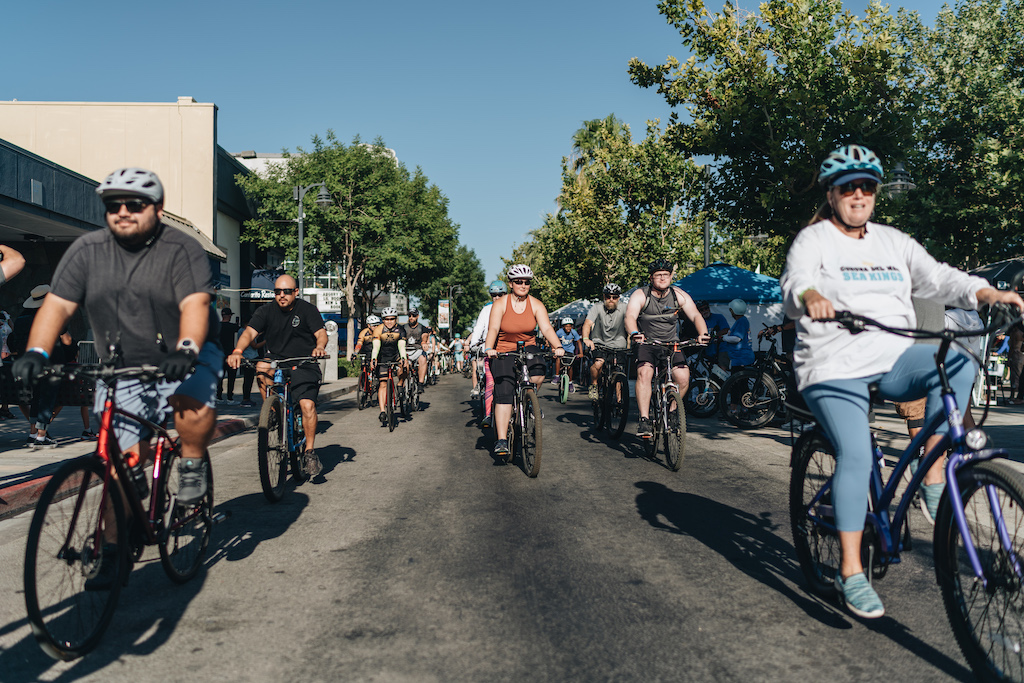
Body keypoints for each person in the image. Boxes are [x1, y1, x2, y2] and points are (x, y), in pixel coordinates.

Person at [780, 143, 1024, 619]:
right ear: (832, 194)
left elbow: (938, 278)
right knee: (854, 452)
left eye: (866, 186)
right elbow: (794, 284)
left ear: (874, 193)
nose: (858, 194)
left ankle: (933, 476)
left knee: (955, 358)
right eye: (848, 186)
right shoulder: (814, 242)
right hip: (832, 365)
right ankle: (851, 571)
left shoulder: (893, 241)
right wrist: (810, 297)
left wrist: (986, 290)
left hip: (890, 356)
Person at [13, 167, 223, 590]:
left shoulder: (180, 249)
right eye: (114, 205)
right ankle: (112, 550)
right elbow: (56, 305)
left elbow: (196, 306)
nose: (123, 212)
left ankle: (193, 463)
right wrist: (36, 353)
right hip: (123, 364)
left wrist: (185, 351)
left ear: (157, 209)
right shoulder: (87, 251)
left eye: (134, 204)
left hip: (185, 351)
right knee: (116, 464)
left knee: (191, 407)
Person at [228, 274, 327, 476]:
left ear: (296, 292)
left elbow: (320, 332)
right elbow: (249, 333)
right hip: (277, 360)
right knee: (262, 367)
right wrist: (238, 351)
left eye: (287, 291)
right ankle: (272, 409)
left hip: (304, 362)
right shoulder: (265, 311)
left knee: (307, 405)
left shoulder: (307, 310)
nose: (282, 295)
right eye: (277, 292)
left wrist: (319, 346)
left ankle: (309, 451)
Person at [484, 265, 564, 458]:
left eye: (526, 282)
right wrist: (489, 348)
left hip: (528, 346)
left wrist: (557, 346)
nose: (523, 285)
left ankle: (529, 401)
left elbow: (546, 328)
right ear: (511, 284)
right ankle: (502, 439)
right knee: (504, 390)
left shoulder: (536, 304)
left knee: (538, 372)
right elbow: (493, 329)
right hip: (503, 349)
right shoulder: (500, 304)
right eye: (518, 282)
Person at [625, 258, 710, 437]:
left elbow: (695, 315)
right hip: (647, 343)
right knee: (645, 373)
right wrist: (634, 333)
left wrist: (702, 333)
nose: (663, 278)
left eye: (666, 274)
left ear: (671, 276)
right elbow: (630, 316)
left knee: (683, 377)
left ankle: (672, 412)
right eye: (658, 275)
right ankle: (644, 419)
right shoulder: (641, 295)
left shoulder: (678, 294)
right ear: (651, 278)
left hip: (672, 344)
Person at [469, 280, 507, 427]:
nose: (497, 298)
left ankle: (527, 404)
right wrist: (473, 344)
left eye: (500, 295)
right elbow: (479, 328)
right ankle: (489, 414)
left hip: (509, 349)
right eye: (494, 295)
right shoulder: (486, 310)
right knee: (490, 382)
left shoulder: (512, 308)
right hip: (489, 350)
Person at [582, 283, 628, 401]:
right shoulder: (597, 307)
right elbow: (587, 323)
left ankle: (619, 401)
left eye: (614, 297)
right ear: (604, 297)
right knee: (598, 363)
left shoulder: (625, 308)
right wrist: (586, 339)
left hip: (619, 344)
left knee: (618, 371)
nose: (611, 300)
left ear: (619, 297)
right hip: (599, 342)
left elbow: (632, 321)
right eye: (608, 297)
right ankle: (594, 385)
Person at [370, 307, 408, 424]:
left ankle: (400, 384)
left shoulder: (401, 330)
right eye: (386, 319)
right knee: (382, 383)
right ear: (383, 320)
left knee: (405, 366)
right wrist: (374, 358)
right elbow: (376, 346)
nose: (389, 321)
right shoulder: (378, 330)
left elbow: (401, 347)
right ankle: (382, 411)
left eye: (392, 319)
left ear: (396, 319)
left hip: (396, 354)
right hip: (383, 356)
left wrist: (403, 359)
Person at [402, 308, 430, 391]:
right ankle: (403, 386)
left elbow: (425, 335)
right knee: (403, 366)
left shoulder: (422, 327)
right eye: (409, 315)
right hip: (406, 351)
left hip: (417, 350)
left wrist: (424, 342)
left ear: (417, 316)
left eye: (413, 315)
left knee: (423, 359)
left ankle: (420, 384)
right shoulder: (403, 327)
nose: (411, 317)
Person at [217, 308, 240, 405]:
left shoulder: (217, 326)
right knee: (231, 377)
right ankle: (230, 397)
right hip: (230, 354)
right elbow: (239, 330)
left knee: (219, 377)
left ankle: (219, 396)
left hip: (219, 354)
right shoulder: (232, 326)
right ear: (230, 315)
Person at [555, 317, 582, 390]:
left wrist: (581, 353)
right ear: (563, 327)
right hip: (561, 350)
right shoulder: (559, 332)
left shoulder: (574, 332)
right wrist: (554, 349)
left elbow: (579, 342)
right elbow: (553, 340)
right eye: (567, 326)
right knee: (558, 359)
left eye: (570, 326)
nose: (568, 328)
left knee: (570, 366)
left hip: (570, 351)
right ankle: (557, 376)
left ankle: (570, 382)